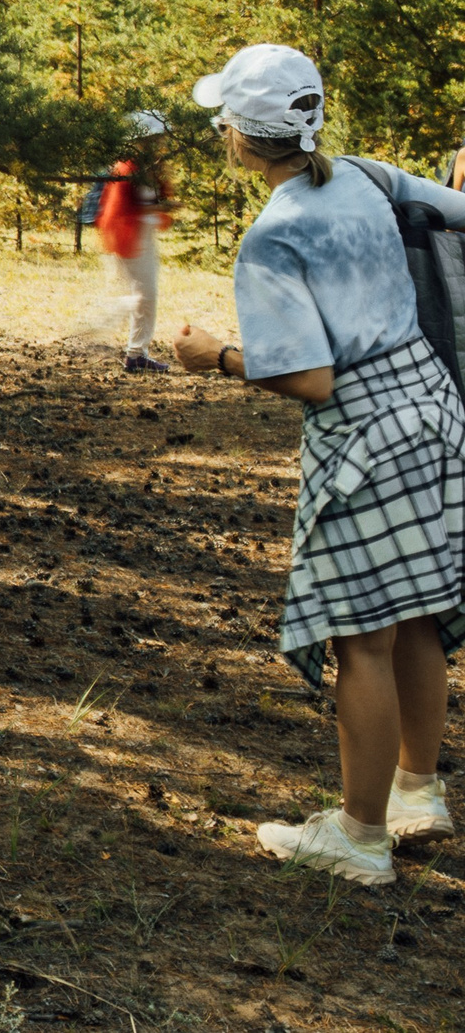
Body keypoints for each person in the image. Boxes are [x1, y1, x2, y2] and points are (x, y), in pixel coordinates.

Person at [171, 44, 465, 887]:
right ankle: (418, 789)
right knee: (418, 610)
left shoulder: (273, 236)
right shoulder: (368, 176)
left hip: (367, 433)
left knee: (360, 636)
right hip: (434, 405)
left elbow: (309, 376)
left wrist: (214, 355)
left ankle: (361, 837)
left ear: (240, 138)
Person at [101, 109, 174, 372]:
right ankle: (131, 350)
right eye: (154, 138)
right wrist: (162, 208)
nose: (158, 143)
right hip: (130, 235)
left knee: (144, 294)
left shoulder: (148, 166)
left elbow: (154, 199)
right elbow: (127, 209)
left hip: (140, 233)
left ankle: (136, 352)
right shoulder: (129, 168)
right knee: (144, 295)